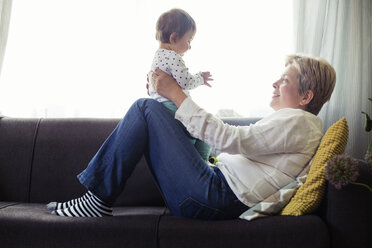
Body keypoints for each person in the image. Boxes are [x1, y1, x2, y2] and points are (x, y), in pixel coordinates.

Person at [47, 54, 336, 219]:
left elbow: (234, 140)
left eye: (285, 80)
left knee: (145, 109)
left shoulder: (300, 122)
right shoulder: (296, 123)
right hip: (213, 187)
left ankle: (97, 199)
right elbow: (230, 146)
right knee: (153, 110)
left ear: (305, 96)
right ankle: (98, 197)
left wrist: (176, 93)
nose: (275, 83)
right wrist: (171, 104)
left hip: (214, 196)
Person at [148, 8, 213, 161]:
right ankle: (202, 164)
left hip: (161, 107)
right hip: (173, 107)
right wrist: (201, 78)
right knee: (205, 134)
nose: (190, 46)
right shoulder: (173, 57)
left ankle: (194, 160)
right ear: (174, 38)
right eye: (189, 41)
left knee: (193, 136)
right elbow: (186, 82)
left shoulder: (157, 56)